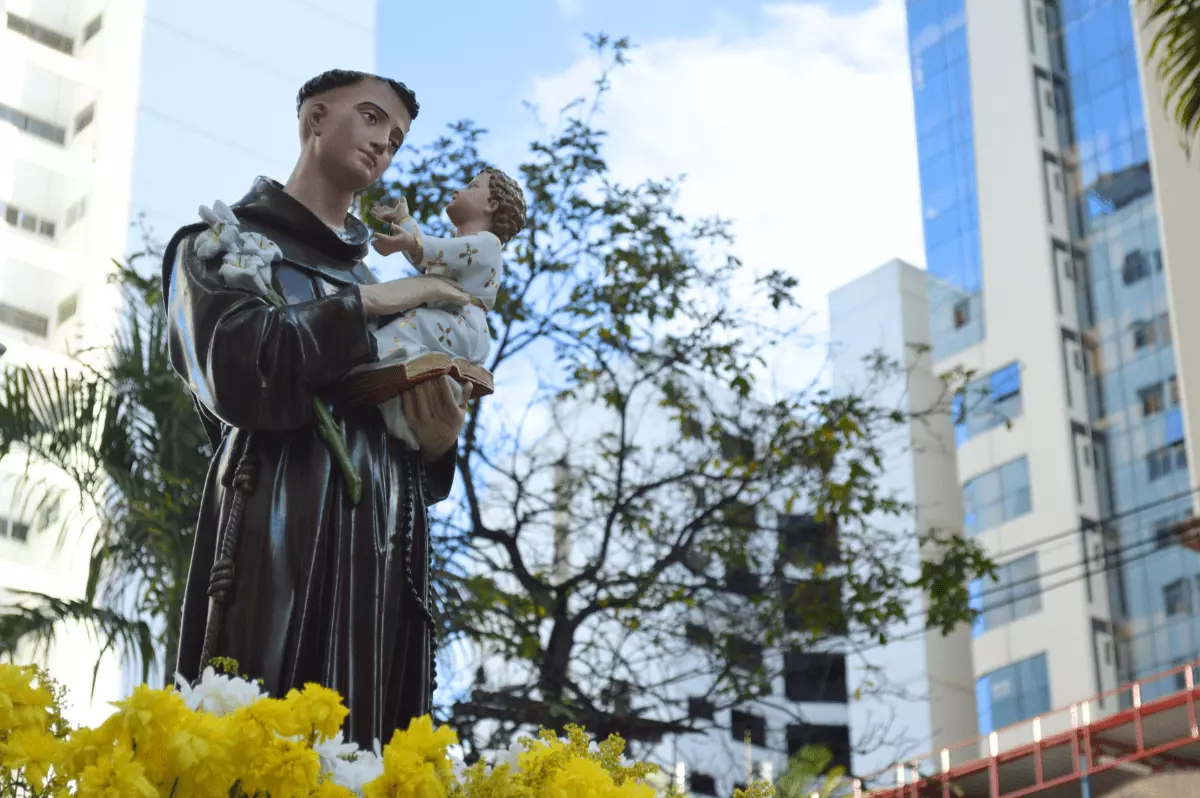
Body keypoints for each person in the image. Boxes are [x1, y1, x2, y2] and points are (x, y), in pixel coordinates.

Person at [163, 69, 469, 747]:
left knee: (364, 739)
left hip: (381, 547)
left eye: (395, 138)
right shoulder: (216, 244)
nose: (384, 145)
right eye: (370, 119)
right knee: (263, 740)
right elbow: (241, 373)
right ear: (316, 118)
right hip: (280, 523)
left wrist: (440, 443)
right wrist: (371, 303)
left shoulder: (382, 285)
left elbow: (407, 433)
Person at [338, 169, 526, 448]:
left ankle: (371, 355)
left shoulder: (487, 244)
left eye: (472, 187)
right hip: (449, 319)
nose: (458, 190)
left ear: (492, 205)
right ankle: (399, 388)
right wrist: (404, 221)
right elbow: (425, 256)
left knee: (412, 323)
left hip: (464, 323)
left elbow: (432, 249)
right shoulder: (455, 251)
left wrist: (409, 237)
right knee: (410, 321)